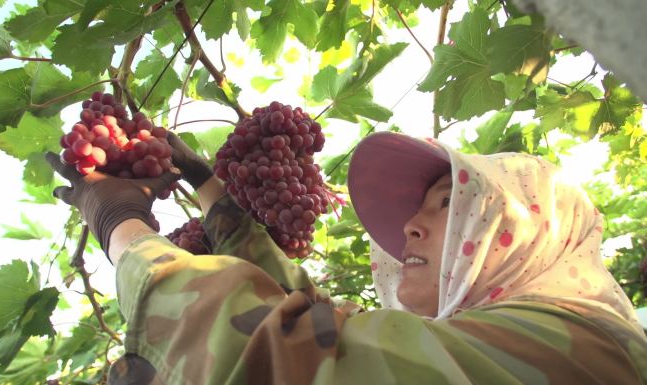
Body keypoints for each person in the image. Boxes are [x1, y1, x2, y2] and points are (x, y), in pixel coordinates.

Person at [46, 131, 647, 385]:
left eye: (447, 205)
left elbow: (289, 359)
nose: (410, 226)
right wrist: (210, 189)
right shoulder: (519, 342)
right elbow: (314, 317)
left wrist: (121, 228)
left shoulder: (584, 349)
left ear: (528, 232)